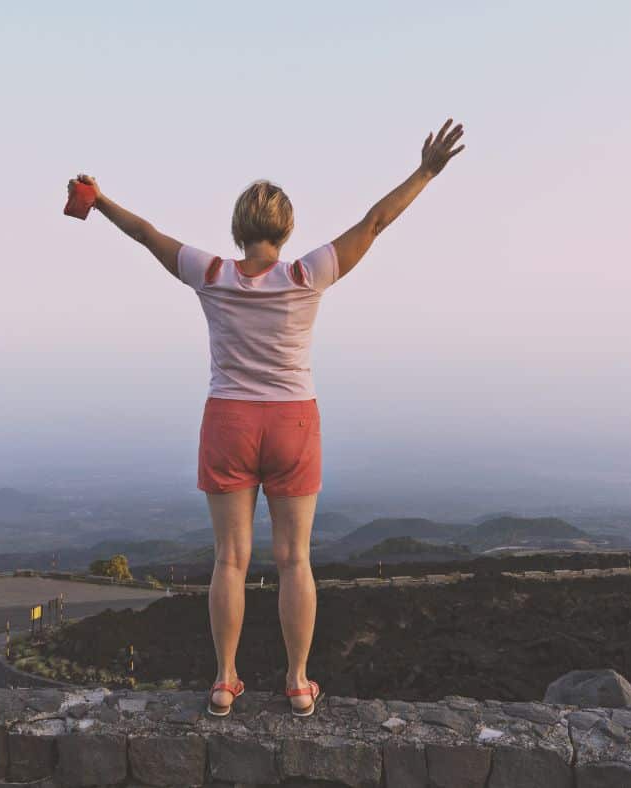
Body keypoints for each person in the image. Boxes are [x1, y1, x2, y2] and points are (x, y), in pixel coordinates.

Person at [66, 118, 465, 717]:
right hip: (293, 423)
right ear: (286, 228)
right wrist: (427, 172)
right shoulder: (307, 275)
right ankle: (299, 683)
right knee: (294, 560)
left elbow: (147, 234)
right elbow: (375, 222)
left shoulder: (212, 274)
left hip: (228, 420)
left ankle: (225, 680)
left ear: (238, 228)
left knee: (230, 559)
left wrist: (98, 202)